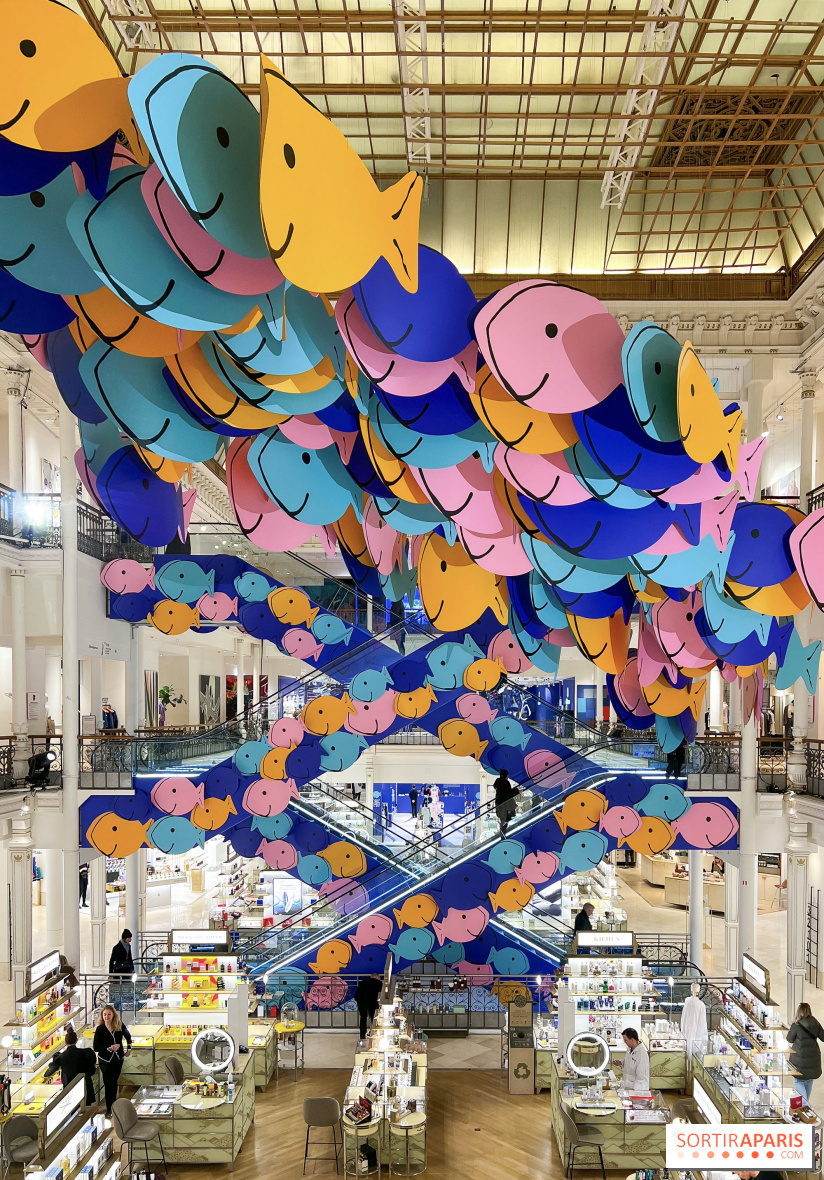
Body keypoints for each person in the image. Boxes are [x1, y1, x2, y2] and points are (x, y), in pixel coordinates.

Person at [93, 1004, 132, 1116]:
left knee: (114, 1082)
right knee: (108, 1083)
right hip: (105, 1060)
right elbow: (96, 1047)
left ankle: (115, 1106)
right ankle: (109, 1108)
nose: (107, 1016)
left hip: (118, 1058)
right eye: (105, 1014)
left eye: (109, 1014)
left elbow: (128, 1036)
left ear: (113, 1015)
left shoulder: (119, 1025)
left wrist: (129, 1048)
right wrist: (109, 1048)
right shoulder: (100, 1029)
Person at [44, 1027, 97, 1105]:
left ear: (65, 1042)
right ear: (77, 1040)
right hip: (84, 1085)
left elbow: (51, 1070)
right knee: (86, 1109)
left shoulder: (61, 1057)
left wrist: (45, 1075)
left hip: (70, 1087)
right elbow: (92, 1068)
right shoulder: (86, 1053)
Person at [786, 1001, 824, 1103]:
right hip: (813, 1059)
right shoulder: (815, 1023)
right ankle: (806, 1107)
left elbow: (789, 1039)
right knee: (809, 1080)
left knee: (799, 1081)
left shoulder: (796, 1025)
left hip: (799, 1060)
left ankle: (806, 1106)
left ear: (799, 1012)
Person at [354, 973, 382, 1040]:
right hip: (373, 1003)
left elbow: (356, 994)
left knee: (363, 1019)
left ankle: (362, 1037)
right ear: (377, 978)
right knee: (374, 1019)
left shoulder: (363, 982)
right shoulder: (379, 983)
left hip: (362, 1002)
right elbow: (382, 995)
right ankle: (373, 1035)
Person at [493, 768, 519, 836]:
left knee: (503, 819)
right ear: (506, 775)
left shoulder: (498, 783)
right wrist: (517, 791)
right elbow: (508, 794)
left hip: (499, 803)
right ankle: (503, 834)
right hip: (505, 804)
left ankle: (503, 834)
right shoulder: (505, 783)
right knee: (505, 819)